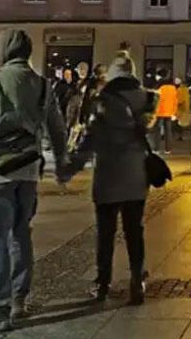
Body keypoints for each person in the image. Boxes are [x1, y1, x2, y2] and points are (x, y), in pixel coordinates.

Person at [0, 29, 70, 332]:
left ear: (3, 50)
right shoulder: (43, 85)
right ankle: (19, 298)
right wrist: (62, 164)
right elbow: (58, 129)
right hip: (29, 173)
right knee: (21, 234)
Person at [69, 54, 157, 305]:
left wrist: (71, 166)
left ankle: (103, 282)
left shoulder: (101, 100)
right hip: (136, 174)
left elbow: (89, 138)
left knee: (105, 233)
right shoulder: (148, 99)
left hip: (108, 174)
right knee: (134, 229)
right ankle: (137, 279)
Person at [153, 70, 177, 154]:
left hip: (159, 111)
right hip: (169, 112)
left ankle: (156, 148)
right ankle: (168, 149)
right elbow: (175, 101)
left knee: (157, 130)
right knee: (168, 131)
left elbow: (156, 100)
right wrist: (174, 112)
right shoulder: (173, 88)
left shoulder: (159, 87)